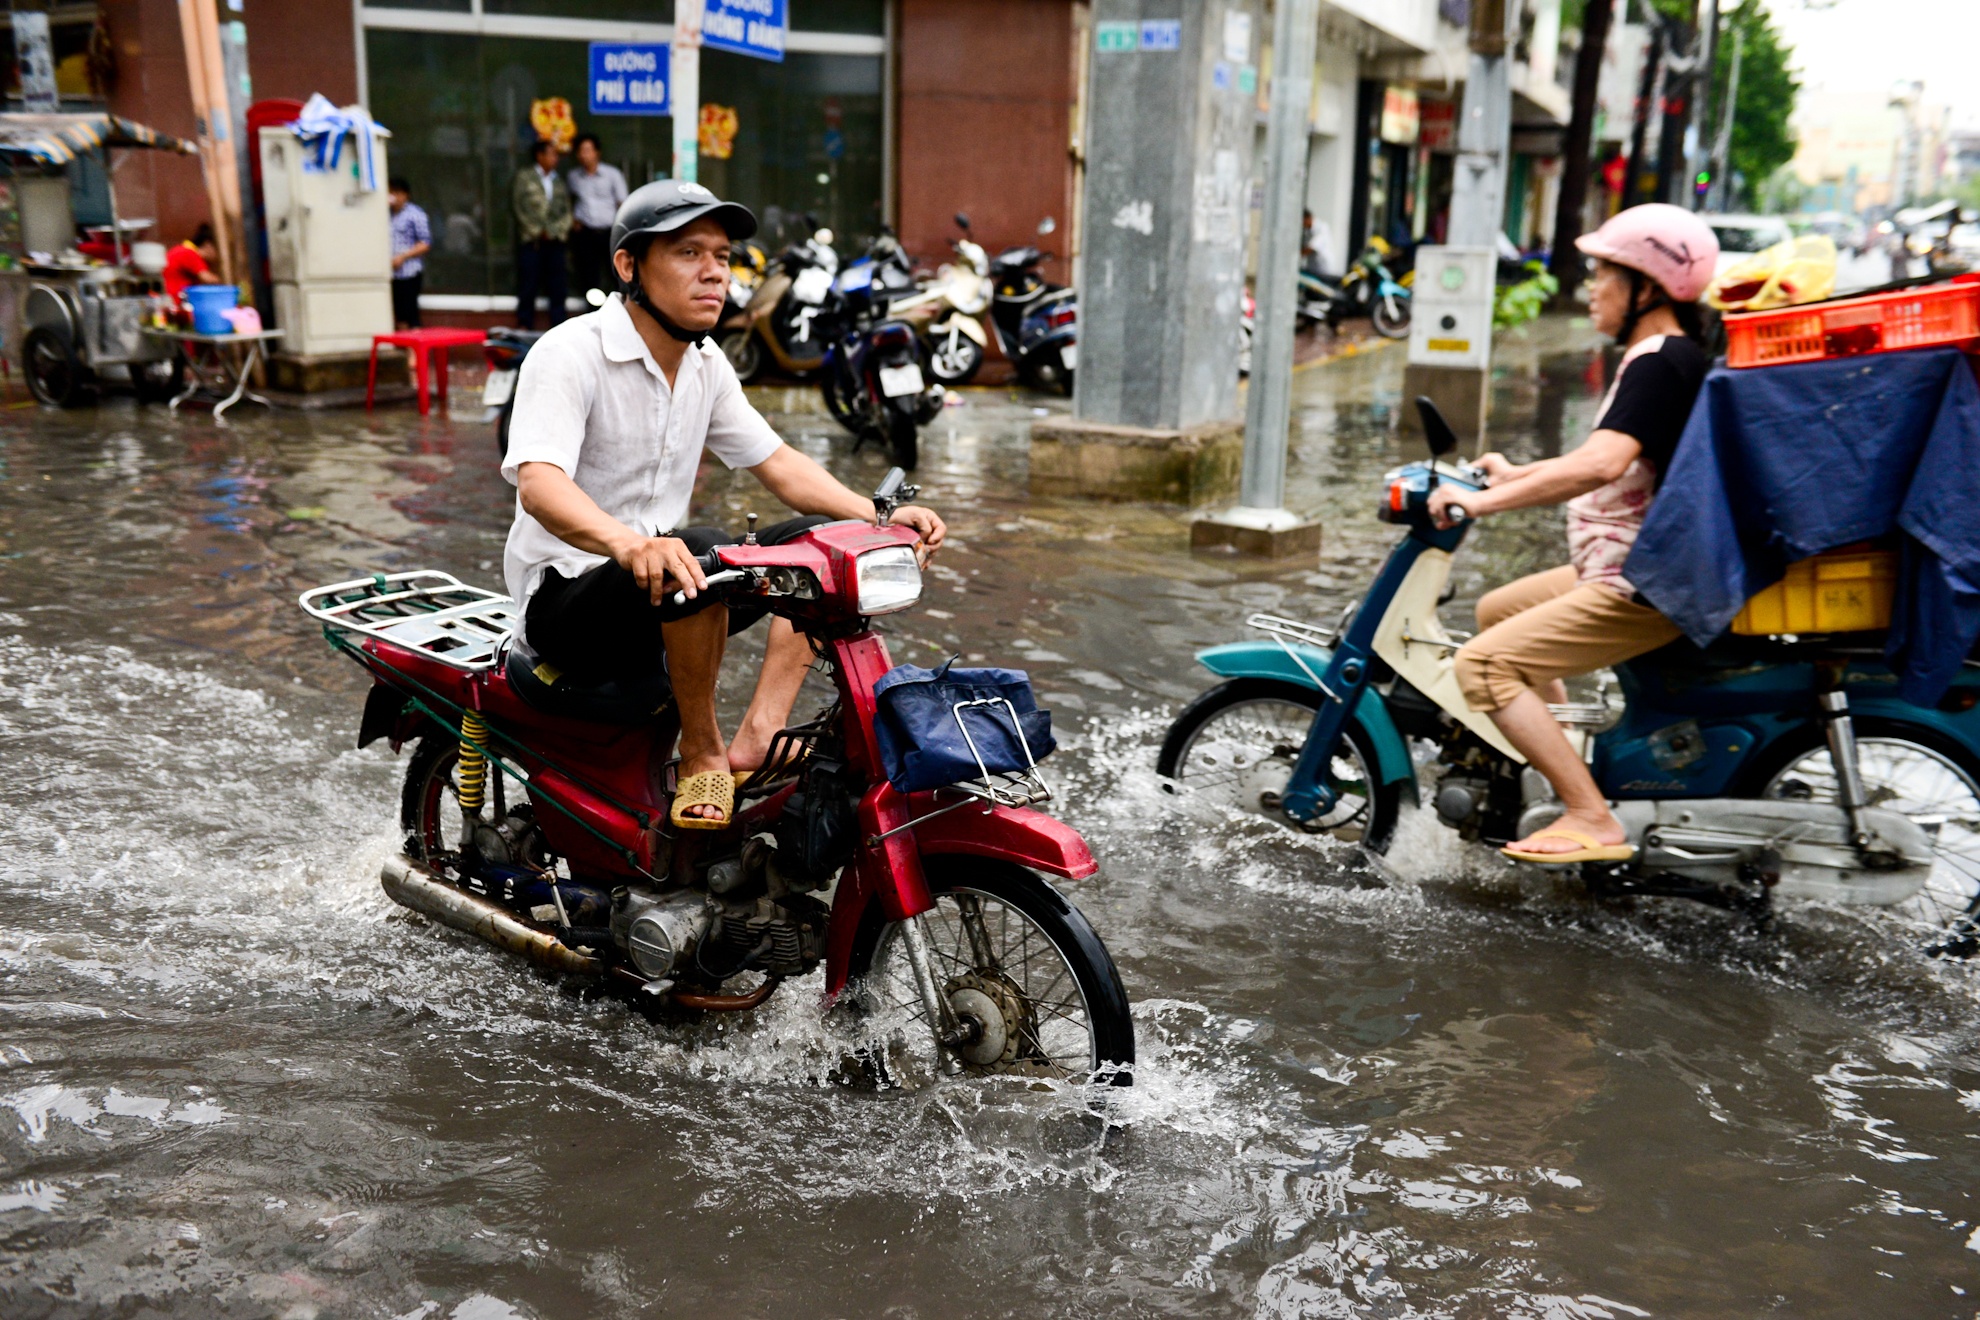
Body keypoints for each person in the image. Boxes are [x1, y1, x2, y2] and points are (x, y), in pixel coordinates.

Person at [500, 180, 946, 830]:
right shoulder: (570, 352)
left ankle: (758, 735)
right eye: (688, 253)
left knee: (823, 541)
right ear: (629, 266)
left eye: (723, 255)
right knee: (699, 547)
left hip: (673, 580)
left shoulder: (706, 364)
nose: (714, 272)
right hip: (567, 605)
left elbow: (779, 464)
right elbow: (539, 484)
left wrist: (875, 517)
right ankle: (704, 749)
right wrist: (630, 543)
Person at [1426, 203, 1721, 865]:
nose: (1591, 288)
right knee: (1496, 610)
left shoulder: (1659, 360)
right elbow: (1613, 456)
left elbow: (1600, 464)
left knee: (1484, 665)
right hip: (1627, 563)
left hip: (1641, 581)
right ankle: (1562, 767)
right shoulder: (1664, 355)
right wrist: (1515, 472)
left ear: (1646, 287)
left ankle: (1590, 812)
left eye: (1603, 274)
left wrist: (1479, 506)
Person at [512, 138, 573, 329]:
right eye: (552, 154)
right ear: (540, 155)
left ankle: (559, 326)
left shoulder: (558, 181)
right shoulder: (524, 177)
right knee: (528, 284)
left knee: (558, 286)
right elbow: (518, 208)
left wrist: (558, 231)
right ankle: (524, 324)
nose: (555, 158)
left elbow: (567, 210)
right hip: (533, 241)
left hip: (555, 241)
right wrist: (536, 231)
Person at [565, 133, 628, 300]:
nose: (584, 155)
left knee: (616, 272)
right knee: (588, 275)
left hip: (609, 232)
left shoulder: (612, 174)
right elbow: (568, 201)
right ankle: (592, 311)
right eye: (581, 151)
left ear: (597, 152)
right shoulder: (573, 177)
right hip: (585, 233)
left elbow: (622, 202)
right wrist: (573, 220)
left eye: (588, 150)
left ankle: (623, 308)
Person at [388, 176, 431, 329]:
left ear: (406, 195)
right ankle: (405, 350)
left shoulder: (415, 214)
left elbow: (425, 243)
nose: (393, 196)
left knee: (410, 312)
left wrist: (403, 256)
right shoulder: (385, 215)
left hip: (409, 272)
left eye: (397, 193)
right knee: (399, 315)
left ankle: (414, 351)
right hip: (391, 274)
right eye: (391, 192)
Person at [162, 223, 222, 302]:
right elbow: (208, 278)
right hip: (176, 301)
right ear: (208, 246)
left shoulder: (183, 250)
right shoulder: (189, 253)